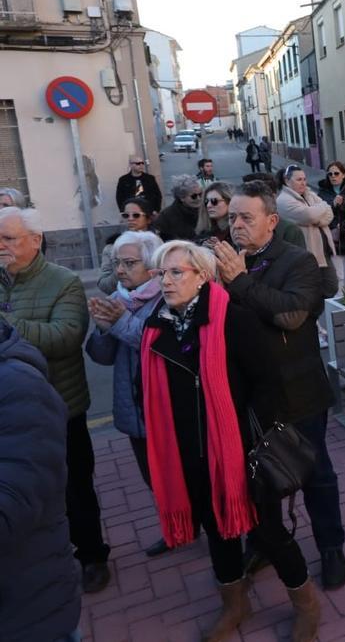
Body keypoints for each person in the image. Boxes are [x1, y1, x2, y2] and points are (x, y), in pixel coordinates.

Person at [140, 240, 321, 641]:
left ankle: (306, 604)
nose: (166, 281)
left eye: (175, 272)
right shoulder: (157, 325)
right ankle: (235, 605)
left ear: (202, 276)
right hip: (191, 454)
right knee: (218, 534)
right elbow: (148, 391)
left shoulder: (233, 320)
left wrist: (249, 442)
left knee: (270, 533)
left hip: (241, 453)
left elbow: (267, 385)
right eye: (160, 273)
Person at [213, 185, 345, 590]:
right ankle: (265, 542)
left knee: (316, 474)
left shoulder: (297, 261)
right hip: (244, 395)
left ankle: (331, 547)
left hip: (298, 390)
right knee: (256, 476)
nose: (236, 225)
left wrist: (238, 282)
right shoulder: (220, 260)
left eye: (246, 218)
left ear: (272, 222)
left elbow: (291, 315)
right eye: (232, 217)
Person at [0, 207, 108, 593]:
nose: (1, 246)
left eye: (9, 238)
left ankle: (93, 555)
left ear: (36, 240)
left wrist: (5, 325)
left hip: (59, 406)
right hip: (8, 410)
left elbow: (65, 337)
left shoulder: (64, 282)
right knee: (23, 489)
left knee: (74, 487)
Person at [85, 231, 168, 557]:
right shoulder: (119, 299)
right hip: (134, 409)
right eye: (117, 262)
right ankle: (173, 527)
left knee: (185, 476)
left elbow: (158, 347)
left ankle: (198, 523)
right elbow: (101, 356)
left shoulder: (169, 296)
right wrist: (104, 327)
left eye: (129, 263)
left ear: (151, 267)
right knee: (153, 479)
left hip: (165, 408)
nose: (120, 270)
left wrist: (118, 322)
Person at [0, 319, 81, 642]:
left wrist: (119, 323)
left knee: (82, 495)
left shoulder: (18, 388)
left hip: (28, 618)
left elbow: (68, 336)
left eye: (176, 273)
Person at [277, 165, 338, 296]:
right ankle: (314, 315)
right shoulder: (283, 200)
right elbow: (309, 215)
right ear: (287, 181)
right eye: (299, 179)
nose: (303, 183)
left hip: (322, 252)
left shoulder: (309, 194)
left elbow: (329, 214)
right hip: (307, 254)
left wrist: (317, 218)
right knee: (315, 291)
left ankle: (319, 312)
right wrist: (323, 207)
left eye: (304, 179)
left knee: (331, 287)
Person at [98, 197, 158, 294]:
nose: (130, 219)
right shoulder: (112, 248)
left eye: (136, 215)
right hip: (125, 302)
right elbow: (104, 285)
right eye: (126, 215)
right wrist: (121, 268)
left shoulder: (161, 245)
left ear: (148, 219)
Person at [318, 161, 345, 280]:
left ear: (344, 175)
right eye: (330, 174)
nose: (333, 176)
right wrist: (333, 205)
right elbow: (320, 214)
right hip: (333, 238)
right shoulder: (322, 193)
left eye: (336, 173)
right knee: (338, 276)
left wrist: (342, 205)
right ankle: (338, 298)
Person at [154, 175, 203, 242]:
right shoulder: (166, 216)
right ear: (182, 197)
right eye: (194, 196)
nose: (198, 198)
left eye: (200, 194)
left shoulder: (206, 210)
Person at [196, 182, 233, 247]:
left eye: (214, 201)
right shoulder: (204, 232)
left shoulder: (238, 230)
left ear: (229, 201)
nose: (208, 205)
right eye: (206, 201)